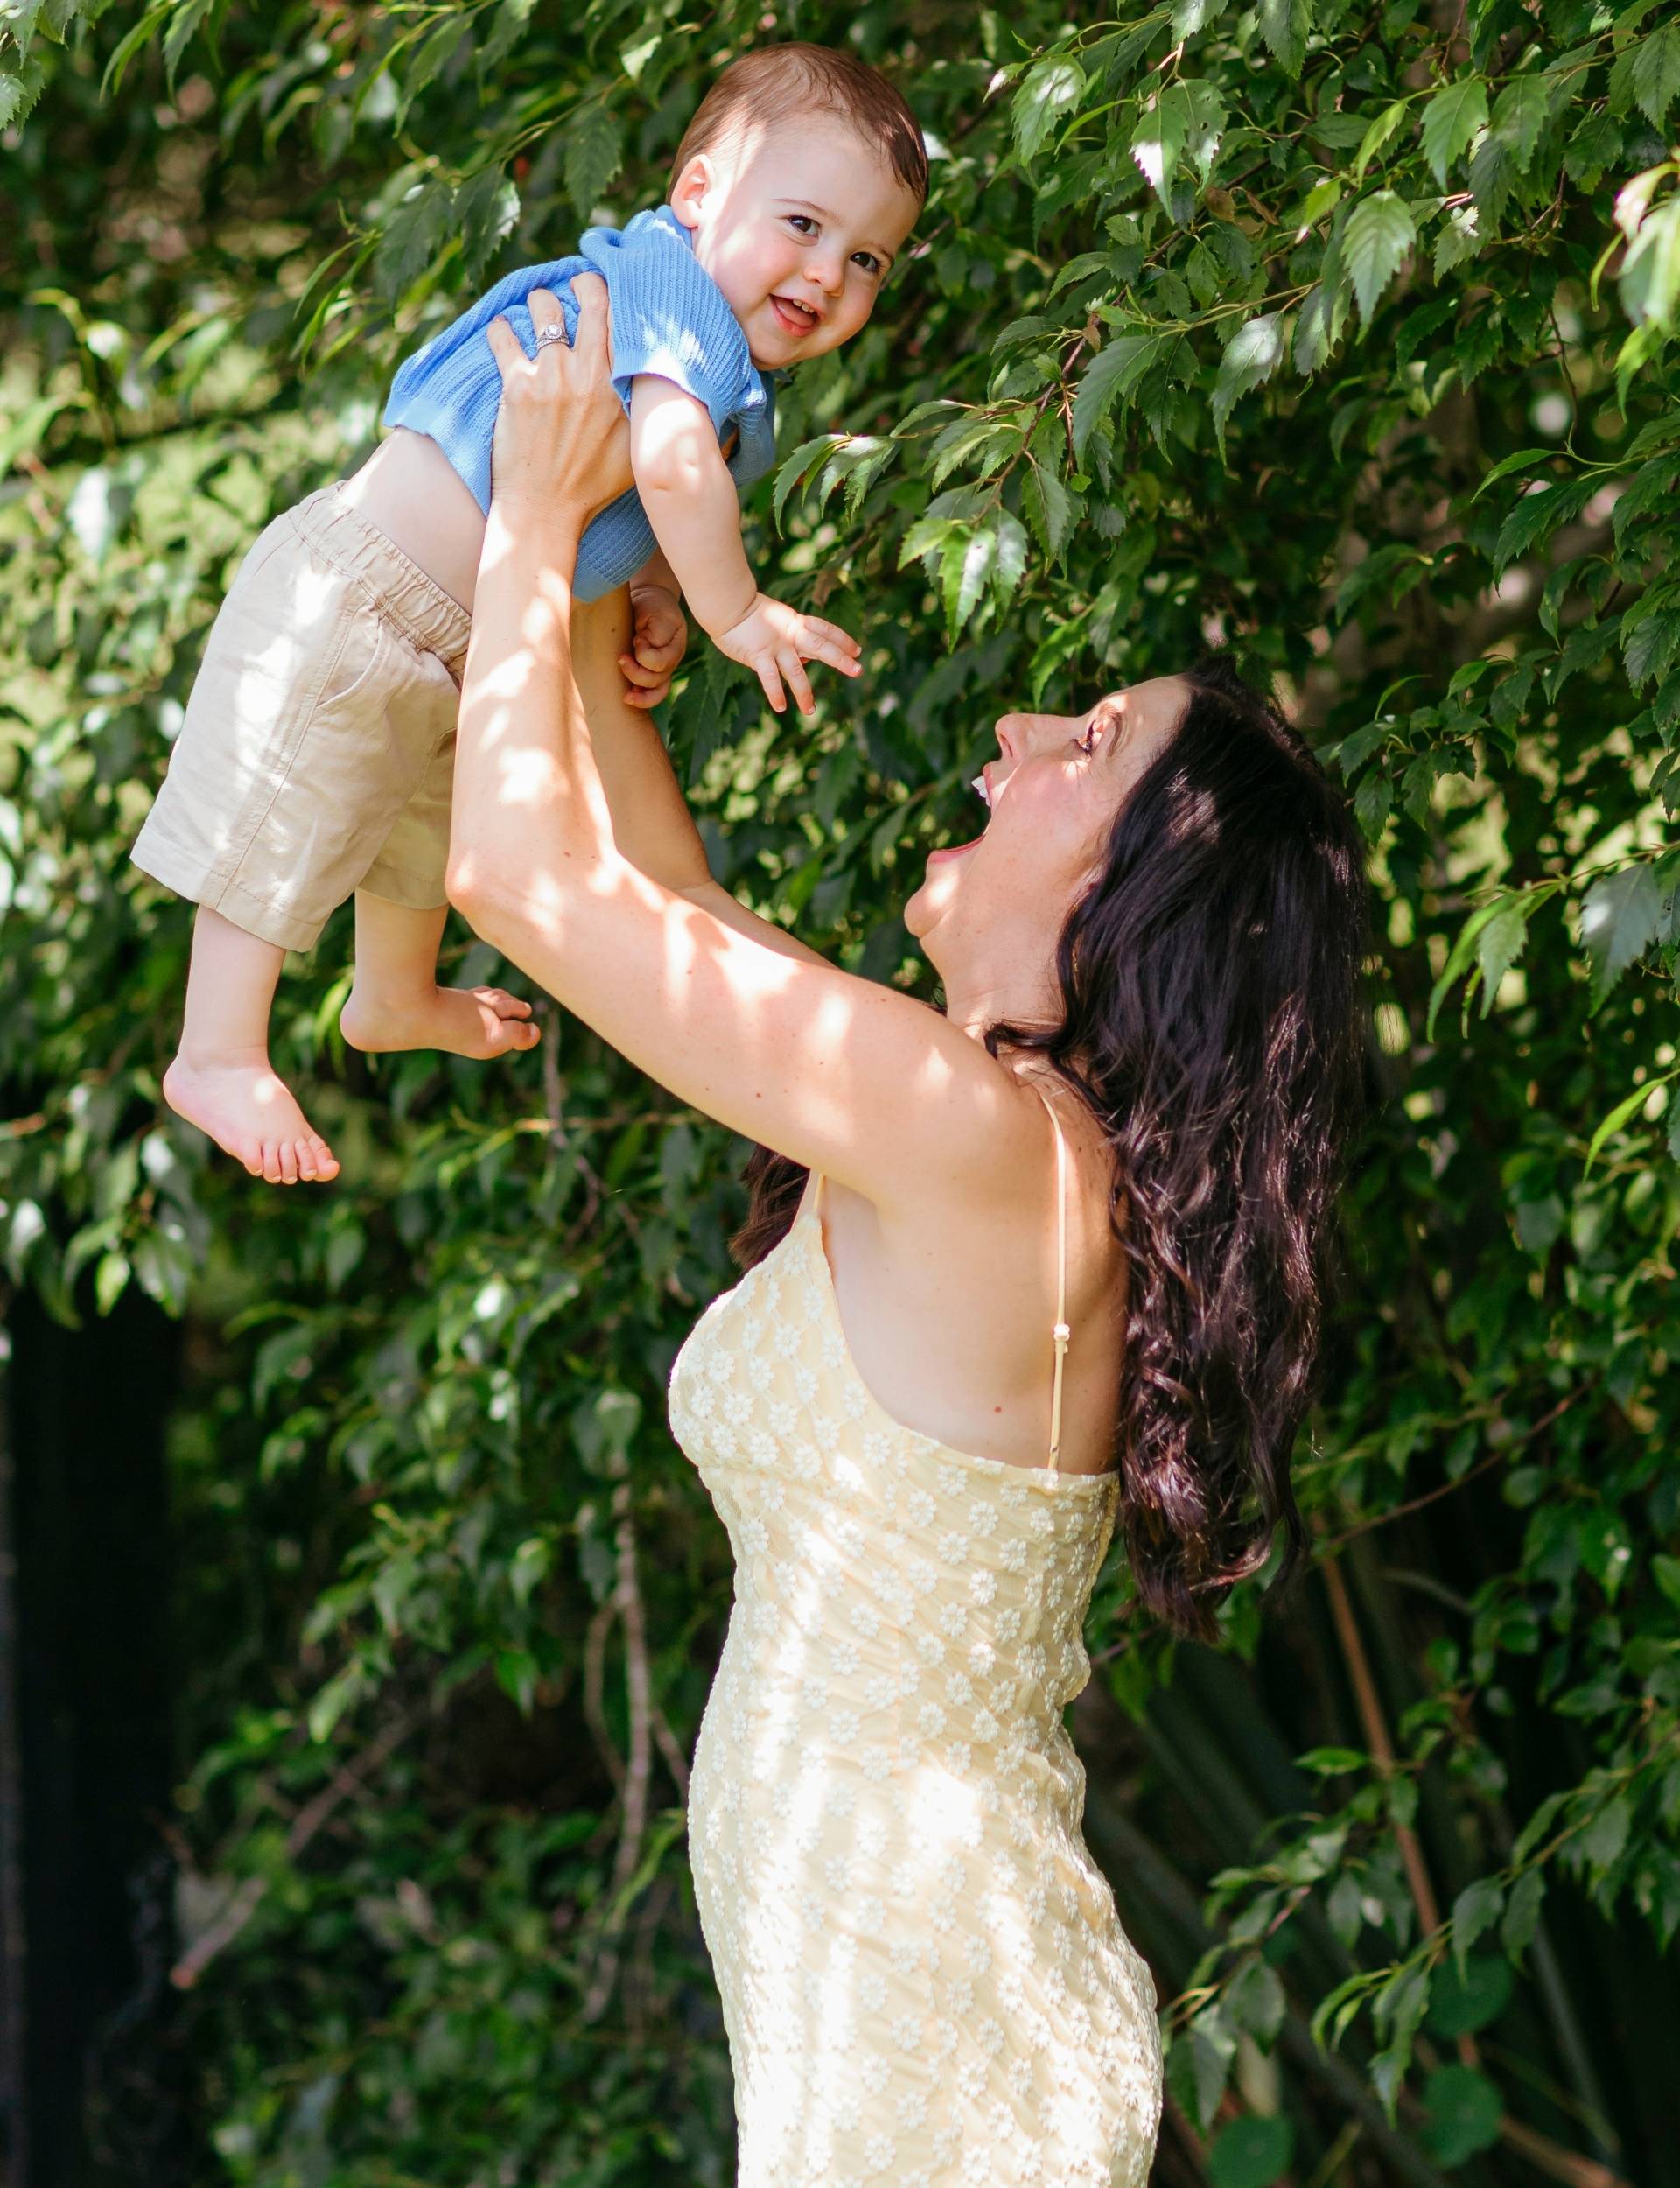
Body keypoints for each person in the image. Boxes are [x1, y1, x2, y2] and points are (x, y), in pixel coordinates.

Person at [446, 284, 1369, 2185]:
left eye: (1088, 742)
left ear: (1137, 889)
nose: (1020, 729)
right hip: (920, 2026)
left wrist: (529, 524)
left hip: (931, 2034)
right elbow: (662, 893)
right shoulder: (979, 1134)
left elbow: (514, 881)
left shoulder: (981, 1144)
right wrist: (622, 634)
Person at [130, 43, 925, 1188]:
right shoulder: (674, 292)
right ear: (698, 195)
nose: (827, 275)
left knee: (420, 831)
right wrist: (734, 610)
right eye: (801, 225)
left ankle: (392, 996)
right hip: (364, 592)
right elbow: (662, 457)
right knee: (289, 810)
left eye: (866, 259)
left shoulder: (724, 374)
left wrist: (651, 590)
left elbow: (633, 499)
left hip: (466, 644)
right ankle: (216, 1051)